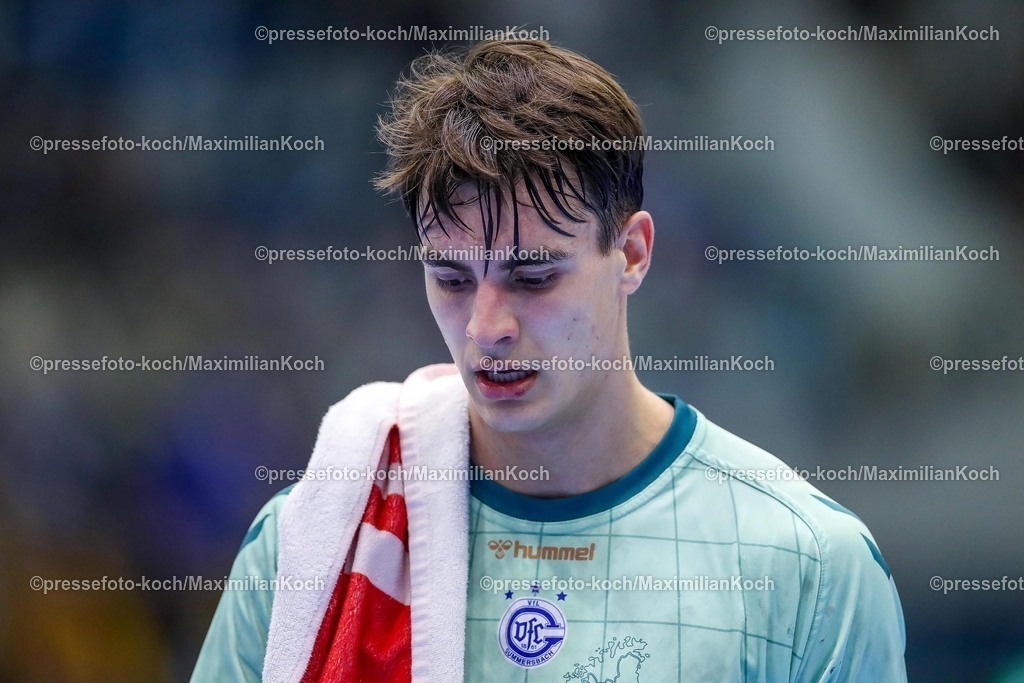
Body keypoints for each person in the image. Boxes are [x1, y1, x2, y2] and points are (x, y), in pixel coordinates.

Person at [192, 37, 907, 682]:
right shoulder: (315, 548)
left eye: (533, 277)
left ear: (631, 254)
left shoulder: (811, 569)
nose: (486, 327)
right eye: (450, 279)